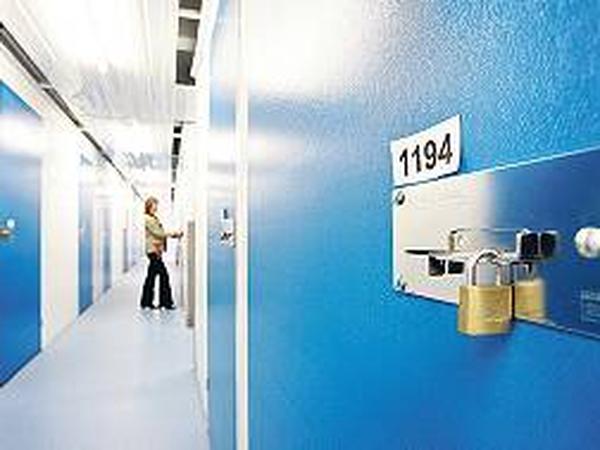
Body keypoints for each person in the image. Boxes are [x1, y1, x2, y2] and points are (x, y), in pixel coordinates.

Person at [140, 196, 183, 310]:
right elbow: (158, 233)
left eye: (156, 205)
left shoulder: (153, 218)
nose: (156, 207)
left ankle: (146, 302)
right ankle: (165, 302)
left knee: (151, 277)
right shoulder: (148, 219)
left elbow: (159, 232)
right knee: (164, 275)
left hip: (156, 250)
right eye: (154, 205)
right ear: (149, 206)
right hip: (153, 251)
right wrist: (174, 234)